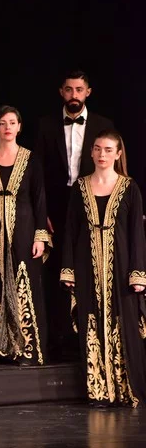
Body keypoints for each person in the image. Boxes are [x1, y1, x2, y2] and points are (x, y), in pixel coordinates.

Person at [60, 130, 146, 407]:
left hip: (120, 266)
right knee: (91, 322)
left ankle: (124, 390)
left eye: (108, 150)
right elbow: (71, 230)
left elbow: (136, 234)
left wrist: (138, 273)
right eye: (97, 149)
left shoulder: (129, 187)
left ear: (118, 154)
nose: (102, 154)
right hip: (87, 264)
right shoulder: (81, 187)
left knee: (123, 325)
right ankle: (98, 391)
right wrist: (69, 269)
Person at [35, 70, 114, 360]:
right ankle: (58, 336)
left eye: (79, 90)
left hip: (91, 203)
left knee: (87, 265)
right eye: (69, 90)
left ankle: (87, 336)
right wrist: (41, 213)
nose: (74, 96)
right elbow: (38, 173)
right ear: (61, 92)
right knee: (56, 270)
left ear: (88, 92)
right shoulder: (45, 125)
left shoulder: (104, 125)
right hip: (55, 206)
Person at [0, 105, 50, 365]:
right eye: (2, 123)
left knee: (23, 281)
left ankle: (26, 348)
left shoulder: (31, 159)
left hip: (24, 228)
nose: (7, 127)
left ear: (19, 127)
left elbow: (40, 199)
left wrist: (40, 235)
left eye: (12, 122)